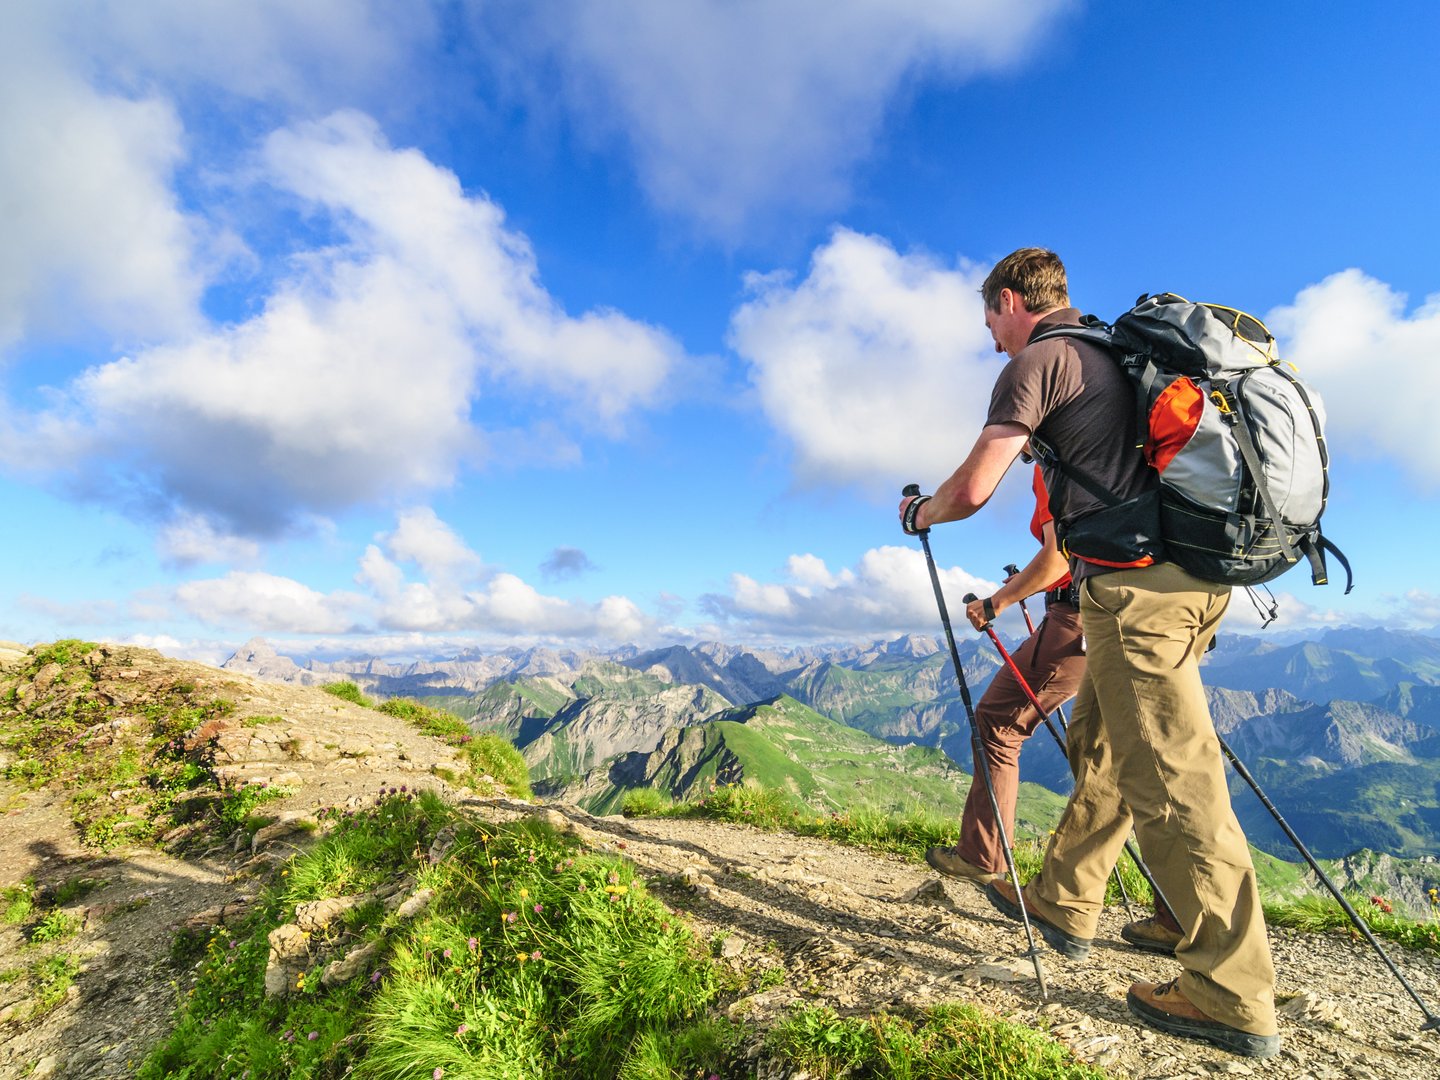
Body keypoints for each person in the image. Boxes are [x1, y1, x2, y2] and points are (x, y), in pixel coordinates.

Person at [898, 248, 1280, 1059]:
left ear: (1010, 301)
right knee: (1102, 749)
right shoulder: (1111, 351)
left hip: (1139, 596)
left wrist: (919, 513)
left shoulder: (1039, 360)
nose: (992, 339)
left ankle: (1228, 988)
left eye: (990, 320)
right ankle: (1069, 901)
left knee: (1172, 778)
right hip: (1174, 583)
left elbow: (970, 491)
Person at [923, 466, 1083, 887]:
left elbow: (1058, 554)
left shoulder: (1060, 457)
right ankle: (1179, 911)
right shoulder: (1116, 450)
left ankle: (983, 855)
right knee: (1129, 757)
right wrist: (1035, 585)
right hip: (1133, 610)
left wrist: (999, 601)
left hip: (1080, 619)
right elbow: (1080, 549)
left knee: (997, 721)